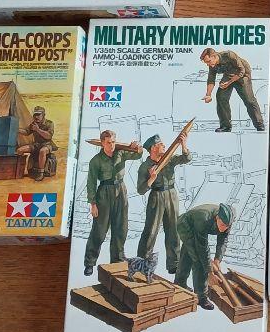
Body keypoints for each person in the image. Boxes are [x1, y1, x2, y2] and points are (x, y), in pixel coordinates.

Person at [83, 130, 141, 276]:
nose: (112, 145)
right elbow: (91, 183)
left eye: (113, 142)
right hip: (104, 193)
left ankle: (117, 260)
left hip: (121, 191)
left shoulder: (120, 153)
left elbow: (137, 155)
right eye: (108, 142)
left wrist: (137, 147)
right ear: (102, 143)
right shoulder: (96, 160)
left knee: (121, 228)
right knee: (99, 231)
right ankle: (89, 263)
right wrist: (93, 204)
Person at [136, 133, 190, 274]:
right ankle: (142, 263)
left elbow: (186, 158)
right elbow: (141, 190)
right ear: (153, 148)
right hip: (156, 196)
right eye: (160, 144)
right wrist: (151, 179)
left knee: (173, 230)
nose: (164, 146)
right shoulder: (145, 166)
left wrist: (183, 144)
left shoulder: (169, 159)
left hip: (171, 195)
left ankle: (174, 264)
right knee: (151, 231)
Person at [175, 202, 233, 310]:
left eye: (227, 227)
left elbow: (223, 240)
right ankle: (201, 297)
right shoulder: (204, 219)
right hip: (185, 225)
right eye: (222, 225)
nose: (224, 229)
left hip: (196, 225)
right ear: (217, 218)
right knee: (198, 260)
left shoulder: (228, 220)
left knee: (188, 252)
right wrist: (210, 272)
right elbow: (202, 248)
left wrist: (217, 259)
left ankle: (179, 283)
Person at [201, 47, 265, 132]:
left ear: (214, 56)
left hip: (243, 74)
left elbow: (241, 70)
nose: (208, 64)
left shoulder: (229, 55)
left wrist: (229, 83)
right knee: (220, 97)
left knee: (249, 99)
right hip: (229, 75)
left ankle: (259, 124)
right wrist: (208, 95)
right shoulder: (212, 65)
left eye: (208, 61)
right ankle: (225, 126)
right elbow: (211, 79)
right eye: (206, 63)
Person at [17, 105, 56, 180]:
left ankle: (41, 173)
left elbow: (48, 136)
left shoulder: (49, 123)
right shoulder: (34, 124)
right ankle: (20, 170)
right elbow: (27, 132)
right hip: (37, 144)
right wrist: (17, 129)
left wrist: (38, 130)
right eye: (35, 115)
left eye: (38, 115)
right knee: (20, 150)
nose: (36, 117)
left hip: (47, 144)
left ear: (43, 115)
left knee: (42, 151)